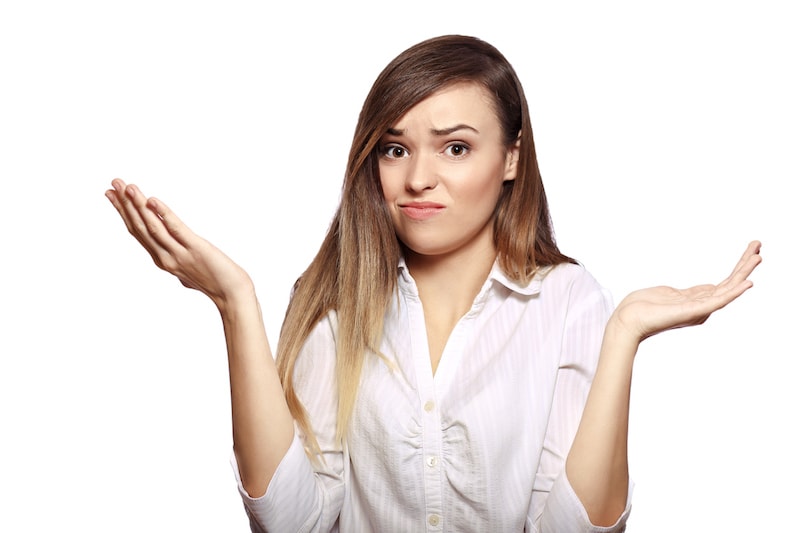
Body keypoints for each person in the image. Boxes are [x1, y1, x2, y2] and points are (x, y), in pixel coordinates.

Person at [105, 35, 762, 532]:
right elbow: (292, 520)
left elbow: (569, 528)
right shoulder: (336, 299)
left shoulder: (570, 301)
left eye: (454, 147)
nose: (418, 177)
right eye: (395, 148)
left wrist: (624, 335)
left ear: (511, 157)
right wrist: (235, 303)